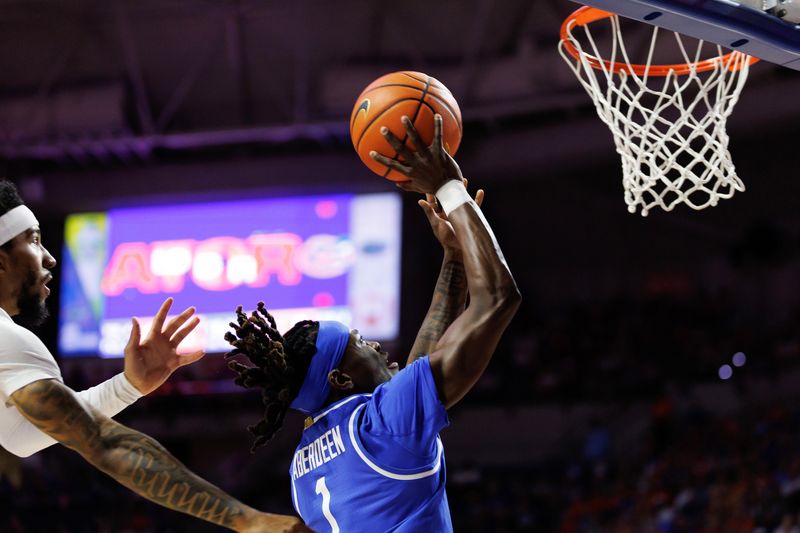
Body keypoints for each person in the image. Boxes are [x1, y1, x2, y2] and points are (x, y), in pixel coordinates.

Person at [225, 114, 521, 531]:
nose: (378, 347)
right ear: (341, 379)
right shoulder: (382, 425)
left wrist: (454, 259)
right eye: (361, 343)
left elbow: (416, 374)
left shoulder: (303, 468)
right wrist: (450, 188)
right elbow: (498, 299)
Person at [0, 180, 308, 533]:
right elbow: (105, 442)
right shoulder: (6, 338)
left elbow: (24, 436)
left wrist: (127, 387)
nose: (50, 258)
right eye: (34, 240)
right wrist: (249, 520)